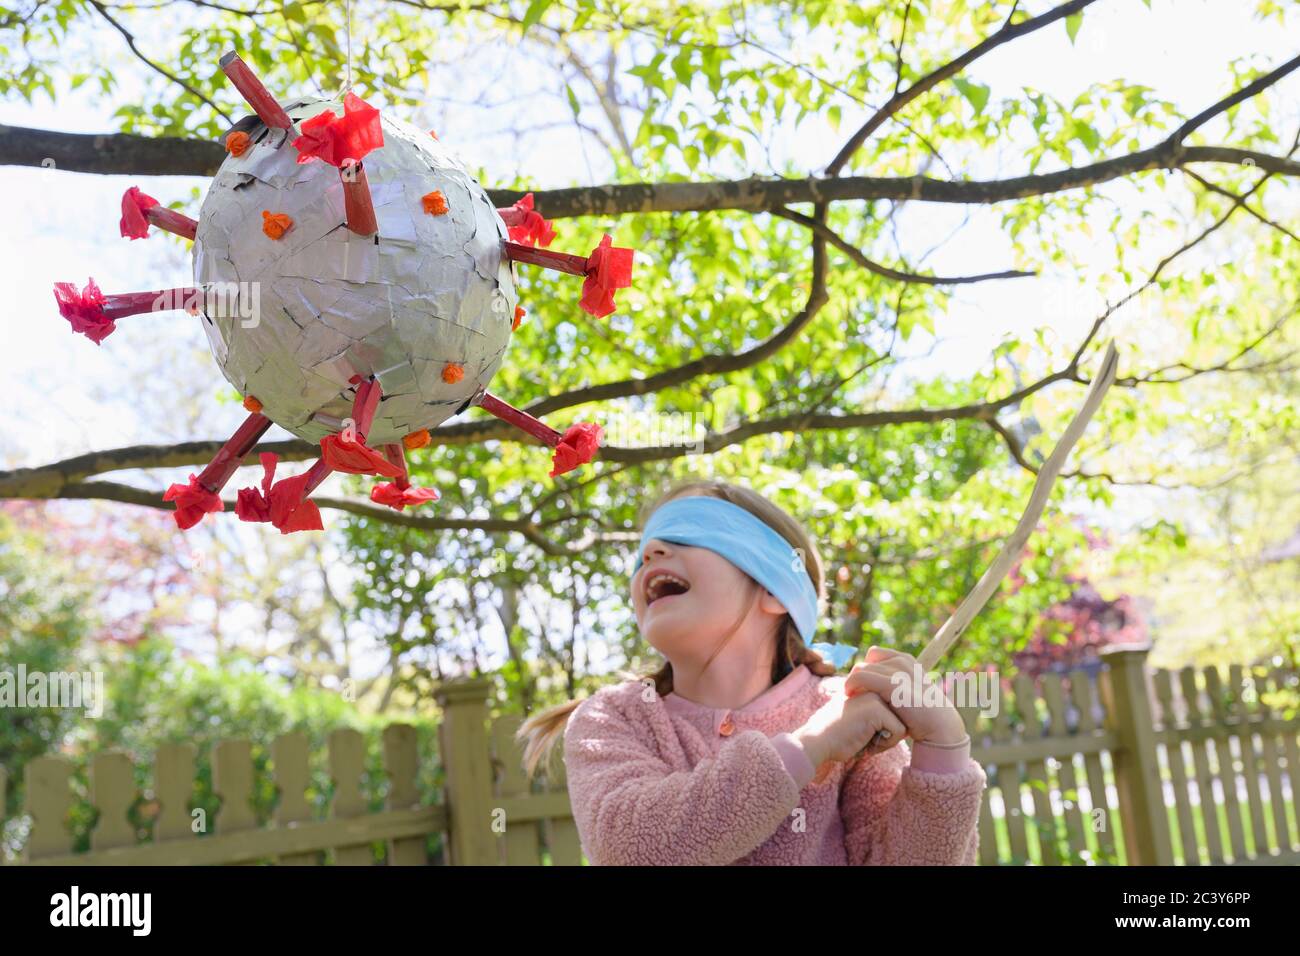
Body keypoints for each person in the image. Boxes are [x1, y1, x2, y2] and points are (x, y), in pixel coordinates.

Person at [517, 479, 986, 865]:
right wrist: (810, 746)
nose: (653, 550)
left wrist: (943, 756)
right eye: (644, 550)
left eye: (689, 532)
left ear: (776, 592)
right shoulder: (614, 720)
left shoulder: (849, 712)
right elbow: (630, 846)